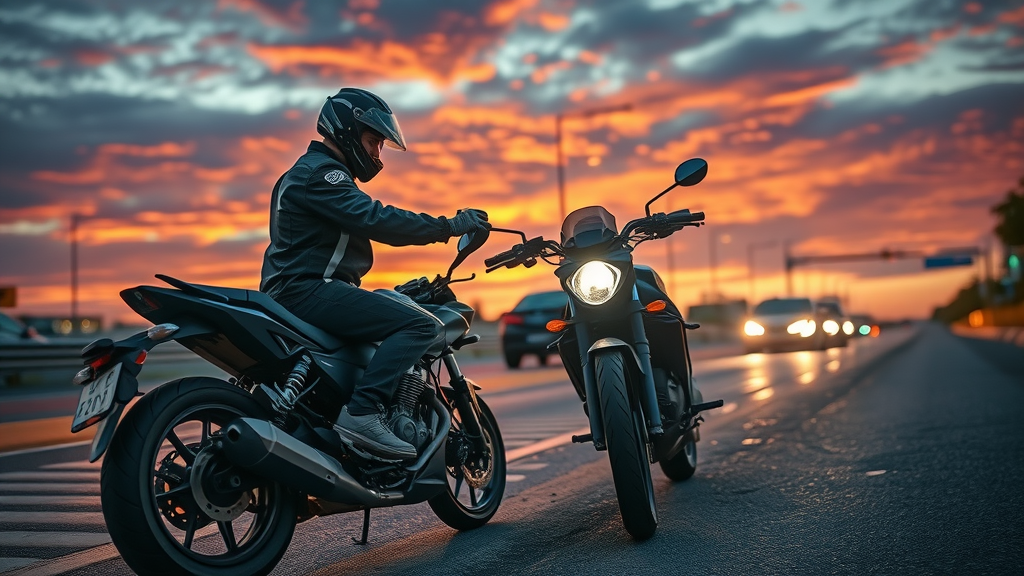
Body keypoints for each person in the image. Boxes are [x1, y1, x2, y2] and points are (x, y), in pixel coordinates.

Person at [260, 87, 490, 459]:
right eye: (372, 141)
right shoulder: (323, 174)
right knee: (421, 325)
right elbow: (376, 219)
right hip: (308, 291)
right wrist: (450, 226)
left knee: (390, 305)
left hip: (299, 290)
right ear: (347, 132)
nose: (376, 153)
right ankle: (364, 412)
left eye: (380, 145)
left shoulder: (307, 172)